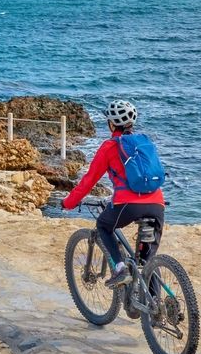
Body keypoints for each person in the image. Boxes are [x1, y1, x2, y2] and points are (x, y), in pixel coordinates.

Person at [61, 99, 165, 288]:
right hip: (157, 204)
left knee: (103, 225)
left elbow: (89, 180)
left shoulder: (110, 146)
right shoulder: (144, 143)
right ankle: (154, 303)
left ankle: (120, 268)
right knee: (147, 261)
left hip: (128, 205)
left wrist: (69, 203)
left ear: (111, 123)